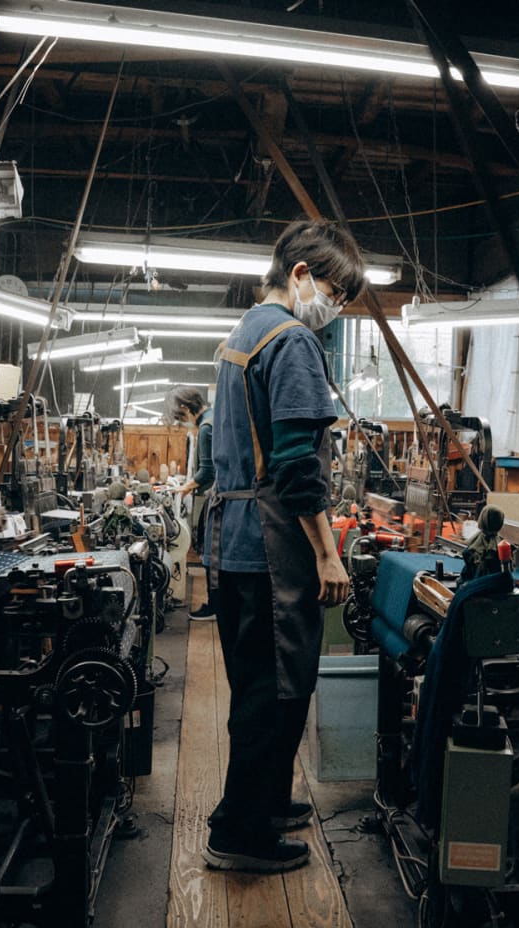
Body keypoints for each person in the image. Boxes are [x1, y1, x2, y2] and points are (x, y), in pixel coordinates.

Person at [203, 218, 367, 873]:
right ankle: (238, 833)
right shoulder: (292, 340)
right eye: (335, 291)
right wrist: (328, 553)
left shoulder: (239, 336)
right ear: (300, 275)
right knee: (275, 694)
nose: (335, 309)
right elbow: (298, 463)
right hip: (272, 550)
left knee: (259, 689)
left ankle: (263, 803)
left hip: (231, 544)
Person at [165, 385, 216, 621]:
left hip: (216, 496)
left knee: (208, 550)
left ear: (186, 408)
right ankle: (217, 603)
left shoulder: (206, 428)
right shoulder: (214, 416)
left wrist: (184, 488)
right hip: (220, 495)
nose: (182, 421)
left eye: (180, 416)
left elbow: (207, 471)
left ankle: (214, 605)